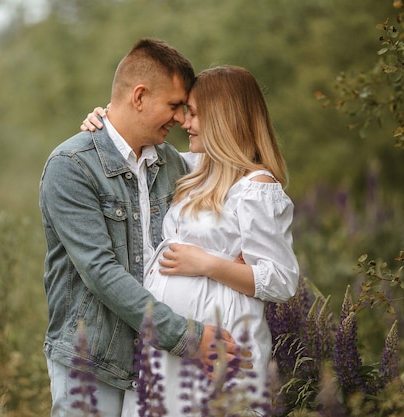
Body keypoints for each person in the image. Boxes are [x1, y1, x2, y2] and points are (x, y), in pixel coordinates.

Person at [82, 65, 300, 416]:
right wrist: (107, 123)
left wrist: (208, 265)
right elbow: (134, 154)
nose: (185, 122)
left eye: (195, 113)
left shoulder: (256, 188)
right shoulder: (193, 168)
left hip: (222, 345)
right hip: (168, 348)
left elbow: (282, 281)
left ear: (223, 119)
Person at [39, 38, 238, 417]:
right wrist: (187, 337)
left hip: (156, 363)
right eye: (175, 105)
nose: (181, 119)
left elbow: (242, 176)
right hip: (92, 363)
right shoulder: (72, 166)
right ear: (140, 96)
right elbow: (101, 272)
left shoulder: (172, 164)